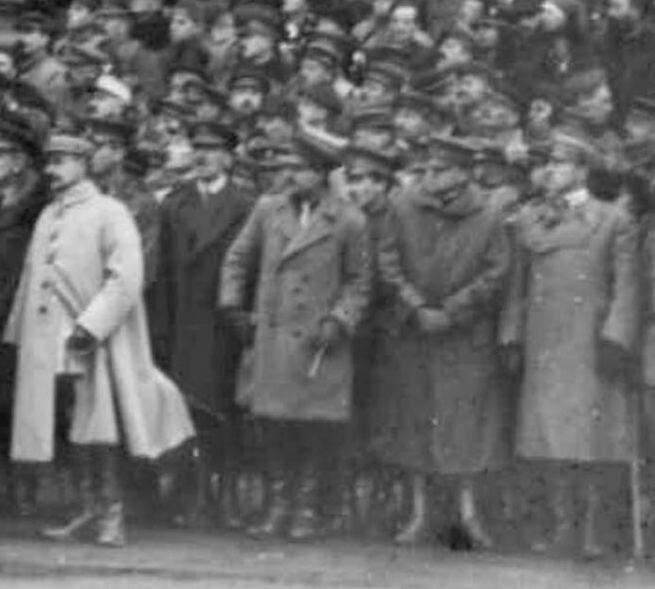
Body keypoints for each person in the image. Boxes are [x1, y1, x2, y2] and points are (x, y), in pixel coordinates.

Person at [6, 130, 192, 548]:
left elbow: (127, 277)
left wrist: (92, 326)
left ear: (83, 164)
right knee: (72, 422)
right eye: (49, 162)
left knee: (101, 425)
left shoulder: (110, 212)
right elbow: (31, 278)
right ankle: (87, 508)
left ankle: (112, 515)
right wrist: (23, 334)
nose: (52, 170)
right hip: (48, 337)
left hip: (92, 336)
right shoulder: (48, 215)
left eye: (61, 161)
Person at [217, 135, 369, 542]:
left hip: (319, 342)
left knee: (313, 429)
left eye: (299, 169)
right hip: (274, 334)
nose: (289, 175)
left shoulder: (349, 220)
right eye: (288, 167)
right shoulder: (268, 210)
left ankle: (304, 507)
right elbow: (237, 257)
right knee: (274, 427)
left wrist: (339, 320)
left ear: (320, 175)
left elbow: (359, 282)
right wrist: (233, 306)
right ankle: (279, 503)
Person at [500, 128, 640, 559]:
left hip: (590, 343)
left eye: (560, 164)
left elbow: (627, 287)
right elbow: (516, 287)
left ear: (581, 170)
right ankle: (562, 526)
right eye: (547, 164)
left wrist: (617, 337)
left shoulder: (613, 220)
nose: (550, 171)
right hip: (545, 341)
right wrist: (511, 335)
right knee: (550, 439)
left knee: (593, 440)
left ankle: (594, 530)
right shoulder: (531, 218)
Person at [371, 130, 510, 548]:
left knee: (466, 427)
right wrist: (416, 307)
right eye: (427, 168)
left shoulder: (489, 214)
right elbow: (388, 260)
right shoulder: (401, 206)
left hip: (463, 336)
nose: (429, 176)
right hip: (414, 332)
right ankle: (419, 513)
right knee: (413, 421)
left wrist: (451, 311)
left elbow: (496, 271)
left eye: (440, 169)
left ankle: (468, 514)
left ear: (464, 174)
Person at [148, 117, 255, 525]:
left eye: (213, 151)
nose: (204, 158)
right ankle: (193, 494)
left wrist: (243, 320)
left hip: (224, 321)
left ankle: (224, 495)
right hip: (183, 322)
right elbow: (163, 274)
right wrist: (161, 327)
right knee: (186, 411)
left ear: (229, 158)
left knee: (223, 412)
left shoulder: (246, 204)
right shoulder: (175, 204)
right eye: (198, 150)